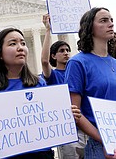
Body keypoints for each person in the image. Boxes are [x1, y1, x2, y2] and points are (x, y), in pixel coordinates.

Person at [0, 27, 81, 159]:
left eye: (23, 43)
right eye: (13, 43)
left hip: (42, 155)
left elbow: (49, 118)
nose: (20, 48)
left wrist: (67, 115)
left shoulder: (39, 83)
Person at [64, 7, 116, 158]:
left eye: (111, 20)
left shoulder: (114, 62)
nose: (111, 24)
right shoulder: (77, 63)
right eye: (104, 20)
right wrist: (106, 141)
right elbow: (76, 112)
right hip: (99, 144)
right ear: (90, 28)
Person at [41, 13, 87, 159]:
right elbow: (43, 61)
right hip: (67, 128)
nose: (66, 53)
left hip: (85, 124)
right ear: (53, 56)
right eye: (61, 51)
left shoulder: (78, 71)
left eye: (67, 50)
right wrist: (48, 30)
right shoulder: (53, 75)